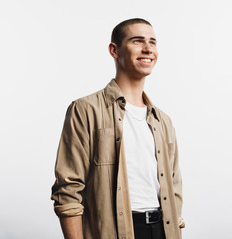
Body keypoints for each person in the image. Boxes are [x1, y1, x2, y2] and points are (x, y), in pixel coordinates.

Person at [51, 18, 185, 239]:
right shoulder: (85, 110)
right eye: (137, 41)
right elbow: (68, 191)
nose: (148, 48)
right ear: (114, 50)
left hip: (163, 229)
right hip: (115, 231)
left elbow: (175, 190)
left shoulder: (163, 121)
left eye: (153, 42)